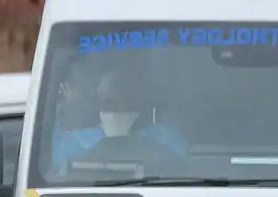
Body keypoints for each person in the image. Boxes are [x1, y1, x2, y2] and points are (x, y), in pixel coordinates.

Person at [52, 69, 188, 170]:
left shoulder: (166, 138)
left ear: (133, 101)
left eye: (117, 102)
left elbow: (183, 171)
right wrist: (69, 113)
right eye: (104, 102)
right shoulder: (77, 141)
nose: (111, 110)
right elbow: (55, 168)